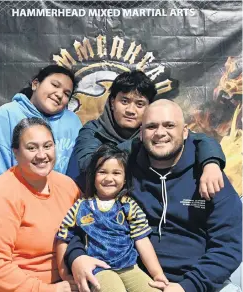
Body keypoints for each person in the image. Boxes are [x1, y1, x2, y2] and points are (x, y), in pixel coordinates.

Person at [65, 100, 242, 292]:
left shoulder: (209, 175)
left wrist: (188, 286)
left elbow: (228, 245)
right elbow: (83, 214)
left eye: (169, 125)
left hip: (197, 282)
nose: (159, 133)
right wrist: (76, 256)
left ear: (185, 133)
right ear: (140, 134)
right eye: (151, 126)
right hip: (134, 277)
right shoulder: (122, 170)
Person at [66, 70, 226, 200]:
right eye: (124, 101)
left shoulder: (154, 131)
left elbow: (200, 139)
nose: (130, 110)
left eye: (140, 104)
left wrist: (211, 164)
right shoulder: (93, 131)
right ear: (112, 102)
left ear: (149, 107)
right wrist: (139, 142)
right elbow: (88, 165)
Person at [0, 118, 80, 292]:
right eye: (32, 148)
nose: (41, 154)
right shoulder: (1, 194)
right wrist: (49, 290)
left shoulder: (68, 186)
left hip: (66, 279)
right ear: (16, 152)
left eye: (47, 146)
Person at [56, 144, 169, 292]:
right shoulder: (81, 207)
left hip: (129, 268)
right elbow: (63, 237)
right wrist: (64, 273)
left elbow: (142, 240)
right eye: (102, 172)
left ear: (125, 179)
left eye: (116, 173)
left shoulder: (129, 206)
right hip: (98, 269)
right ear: (93, 175)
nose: (109, 178)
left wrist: (157, 274)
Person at [0, 65, 82, 182]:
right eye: (55, 85)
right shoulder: (7, 114)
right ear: (35, 84)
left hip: (60, 197)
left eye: (67, 94)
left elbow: (76, 170)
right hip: (15, 197)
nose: (59, 94)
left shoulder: (72, 121)